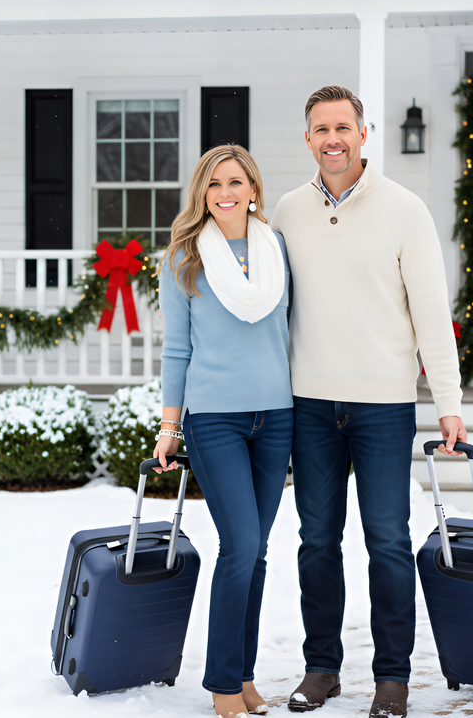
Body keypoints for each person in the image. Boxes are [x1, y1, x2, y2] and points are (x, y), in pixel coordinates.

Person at [271, 86, 467, 718]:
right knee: (317, 543)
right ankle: (322, 668)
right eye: (321, 129)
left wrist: (449, 403)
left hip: (383, 407)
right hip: (310, 407)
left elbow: (432, 316)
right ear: (308, 139)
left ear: (363, 133)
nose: (333, 138)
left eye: (344, 127)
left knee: (386, 541)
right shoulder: (287, 212)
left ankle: (392, 678)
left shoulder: (405, 211)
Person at [151, 144, 293, 718]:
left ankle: (244, 676)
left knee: (256, 553)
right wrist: (169, 425)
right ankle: (221, 686)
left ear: (253, 189)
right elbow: (176, 350)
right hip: (214, 420)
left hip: (276, 417)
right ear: (202, 194)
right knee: (239, 546)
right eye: (214, 184)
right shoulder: (183, 257)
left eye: (235, 182)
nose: (225, 193)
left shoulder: (276, 249)